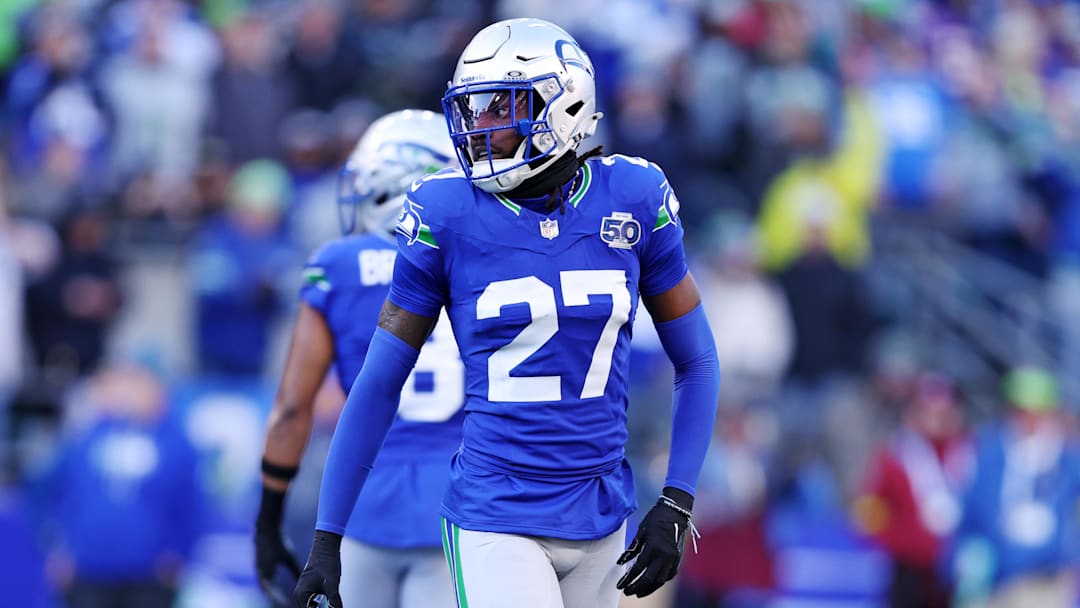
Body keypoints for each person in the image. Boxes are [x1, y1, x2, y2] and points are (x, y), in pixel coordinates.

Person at [294, 18, 721, 608]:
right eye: (475, 111)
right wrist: (326, 537)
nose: (481, 129)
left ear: (566, 105)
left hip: (602, 510)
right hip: (496, 513)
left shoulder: (634, 197)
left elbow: (696, 359)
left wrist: (677, 499)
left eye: (503, 108)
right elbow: (379, 379)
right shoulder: (445, 211)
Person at [254, 110, 463, 608]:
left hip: (364, 510)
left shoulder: (338, 266)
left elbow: (290, 408)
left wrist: (268, 520)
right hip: (463, 508)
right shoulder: (478, 261)